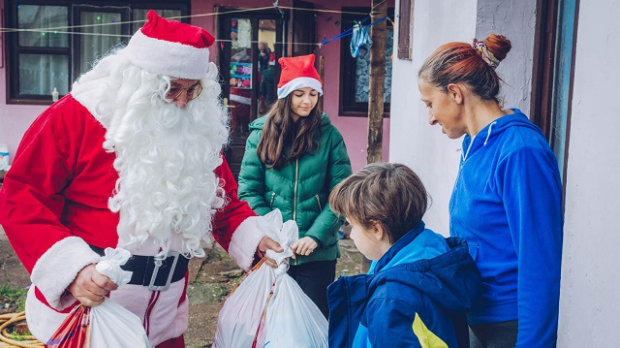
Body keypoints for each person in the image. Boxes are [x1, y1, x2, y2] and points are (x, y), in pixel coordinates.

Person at [0, 11, 283, 348]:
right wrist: (72, 270)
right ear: (140, 80)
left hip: (165, 318)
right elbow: (22, 198)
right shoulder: (75, 118)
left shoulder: (196, 129)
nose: (181, 103)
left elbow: (222, 202)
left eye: (192, 91)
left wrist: (255, 241)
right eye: (171, 89)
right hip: (91, 312)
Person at [418, 34, 564, 348]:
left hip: (511, 328)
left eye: (430, 104)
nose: (430, 118)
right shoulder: (474, 145)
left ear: (455, 93)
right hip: (478, 319)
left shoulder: (520, 152)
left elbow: (541, 264)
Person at [237, 54, 353, 318]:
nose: (307, 101)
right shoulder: (260, 134)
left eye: (313, 94)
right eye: (299, 93)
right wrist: (273, 234)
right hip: (272, 251)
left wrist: (315, 236)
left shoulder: (330, 136)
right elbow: (248, 190)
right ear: (285, 95)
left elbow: (341, 192)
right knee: (269, 323)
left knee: (313, 324)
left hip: (316, 254)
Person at [326, 163, 482, 348]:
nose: (350, 234)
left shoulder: (391, 302)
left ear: (376, 229)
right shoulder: (436, 254)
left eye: (352, 225)